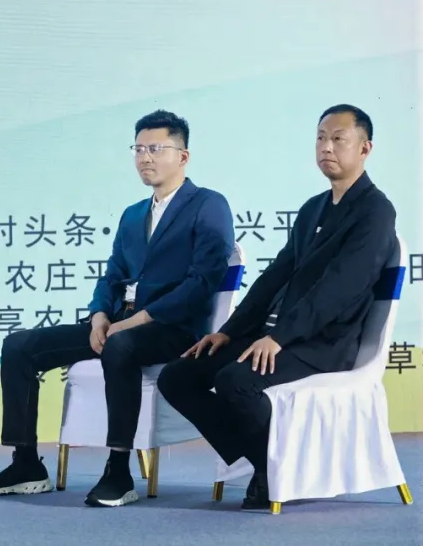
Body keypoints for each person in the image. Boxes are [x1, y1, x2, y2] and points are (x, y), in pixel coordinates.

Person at [0, 110, 235, 507]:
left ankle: (118, 472)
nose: (144, 157)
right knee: (19, 346)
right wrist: (99, 316)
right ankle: (26, 464)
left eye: (155, 149)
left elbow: (203, 282)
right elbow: (112, 275)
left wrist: (136, 321)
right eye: (138, 149)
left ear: (183, 156)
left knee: (120, 345)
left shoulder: (208, 205)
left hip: (173, 329)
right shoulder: (133, 215)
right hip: (118, 324)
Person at [157, 104, 396, 510]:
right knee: (178, 376)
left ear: (365, 148)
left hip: (324, 343)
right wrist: (228, 331)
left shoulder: (375, 211)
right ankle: (268, 464)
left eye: (338, 139)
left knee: (237, 382)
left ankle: (271, 473)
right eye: (321, 138)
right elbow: (273, 278)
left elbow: (339, 290)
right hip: (279, 336)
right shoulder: (313, 208)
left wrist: (280, 337)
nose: (326, 147)